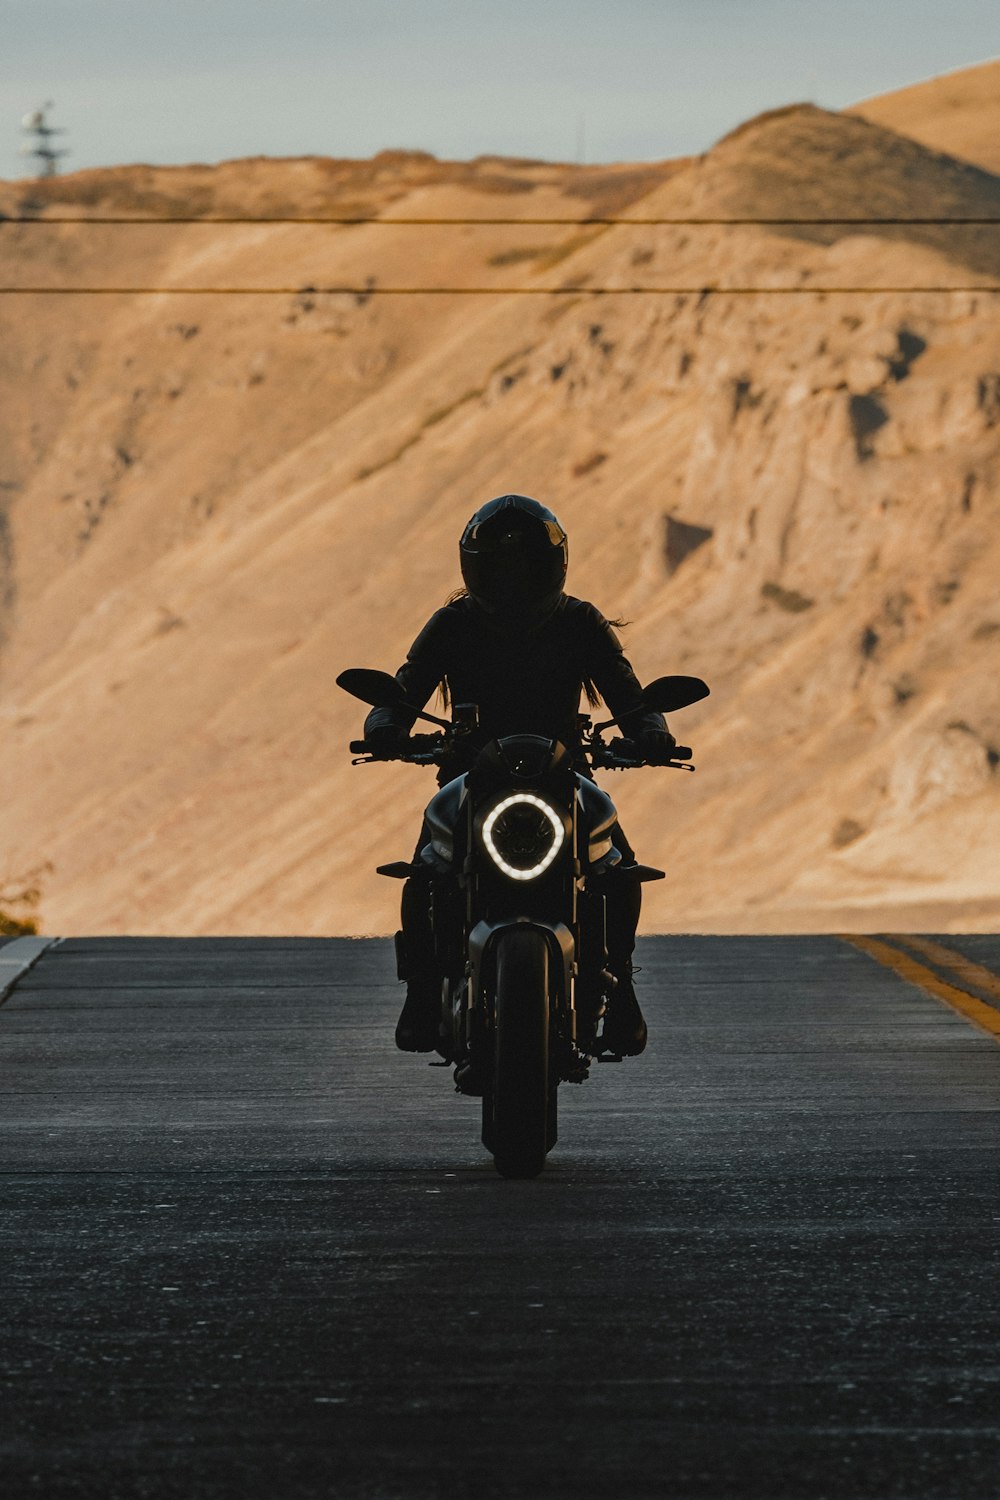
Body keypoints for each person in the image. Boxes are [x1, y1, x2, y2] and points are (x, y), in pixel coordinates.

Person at [361, 494, 675, 1057]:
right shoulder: (452, 623)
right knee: (426, 870)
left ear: (553, 565)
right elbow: (406, 685)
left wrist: (651, 732)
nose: (513, 578)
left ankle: (620, 985)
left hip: (564, 773)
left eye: (525, 564)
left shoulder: (581, 621)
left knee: (616, 866)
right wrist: (385, 723)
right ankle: (423, 990)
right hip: (470, 773)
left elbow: (627, 690)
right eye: (500, 565)